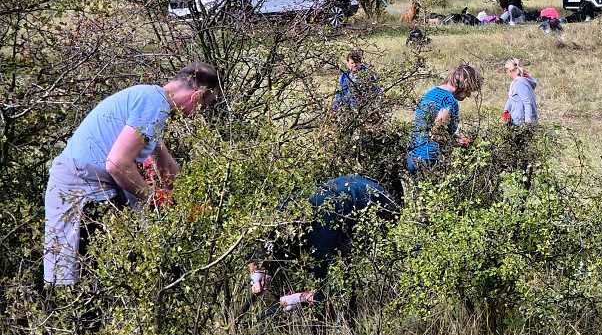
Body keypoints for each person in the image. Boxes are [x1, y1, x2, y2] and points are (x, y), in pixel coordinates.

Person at [43, 63, 221, 287]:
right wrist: (154, 199)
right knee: (79, 284)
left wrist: (190, 201)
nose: (198, 114)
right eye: (205, 105)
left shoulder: (155, 102)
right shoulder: (153, 103)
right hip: (81, 190)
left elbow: (166, 167)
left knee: (108, 274)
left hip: (92, 188)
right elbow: (117, 164)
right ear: (198, 95)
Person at [248, 174, 400, 316]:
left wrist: (300, 298)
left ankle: (357, 311)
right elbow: (260, 240)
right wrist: (257, 274)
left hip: (378, 204)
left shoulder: (319, 233)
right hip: (356, 189)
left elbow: (325, 283)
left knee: (349, 265)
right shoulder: (280, 214)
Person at [406, 63, 483, 174]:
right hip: (428, 157)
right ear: (465, 84)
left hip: (412, 155)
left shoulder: (430, 93)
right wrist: (459, 142)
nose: (469, 95)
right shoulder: (449, 100)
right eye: (469, 90)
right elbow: (436, 133)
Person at [501, 58, 539, 125]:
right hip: (516, 120)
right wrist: (506, 111)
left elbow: (527, 102)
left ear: (510, 71)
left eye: (506, 70)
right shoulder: (516, 82)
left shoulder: (520, 83)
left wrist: (528, 122)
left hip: (521, 122)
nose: (506, 73)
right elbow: (513, 99)